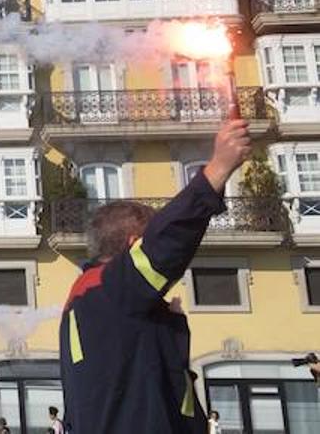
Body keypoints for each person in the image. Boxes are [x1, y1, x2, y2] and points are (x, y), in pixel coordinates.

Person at [59, 118, 254, 434]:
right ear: (133, 246)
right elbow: (168, 242)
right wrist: (217, 169)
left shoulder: (92, 297)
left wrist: (168, 327)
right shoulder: (109, 289)